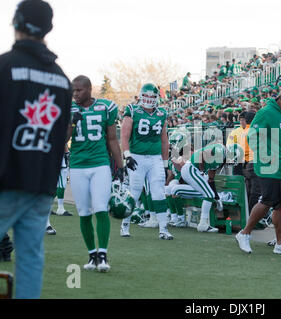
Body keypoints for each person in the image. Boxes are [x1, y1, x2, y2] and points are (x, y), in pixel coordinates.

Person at [0, 0, 71, 298]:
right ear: (49, 29)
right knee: (30, 259)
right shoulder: (62, 79)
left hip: (6, 178)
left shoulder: (5, 66)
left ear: (16, 22)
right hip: (42, 182)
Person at [68, 75, 124, 273]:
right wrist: (71, 124)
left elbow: (112, 140)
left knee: (100, 207)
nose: (75, 94)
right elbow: (63, 139)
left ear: (89, 90)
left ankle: (103, 254)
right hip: (77, 165)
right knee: (83, 212)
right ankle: (92, 255)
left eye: (79, 90)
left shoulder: (106, 107)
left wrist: (120, 166)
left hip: (100, 164)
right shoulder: (69, 109)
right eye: (73, 90)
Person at [235, 89, 281, 255]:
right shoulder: (266, 112)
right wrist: (266, 156)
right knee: (268, 200)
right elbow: (253, 136)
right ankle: (244, 233)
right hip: (269, 166)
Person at [119, 83, 172, 240]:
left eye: (152, 96)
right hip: (137, 157)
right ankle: (125, 225)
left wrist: (165, 163)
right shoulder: (133, 110)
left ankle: (163, 229)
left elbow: (164, 140)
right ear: (141, 96)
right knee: (135, 192)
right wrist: (127, 155)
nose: (149, 99)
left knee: (158, 191)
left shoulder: (162, 113)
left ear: (157, 98)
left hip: (155, 158)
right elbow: (124, 135)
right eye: (146, 96)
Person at [171, 143, 227, 233]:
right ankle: (203, 224)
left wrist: (217, 197)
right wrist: (201, 170)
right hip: (192, 169)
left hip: (192, 170)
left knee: (208, 194)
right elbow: (202, 154)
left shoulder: (220, 161)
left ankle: (176, 190)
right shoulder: (217, 149)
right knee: (209, 195)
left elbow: (211, 180)